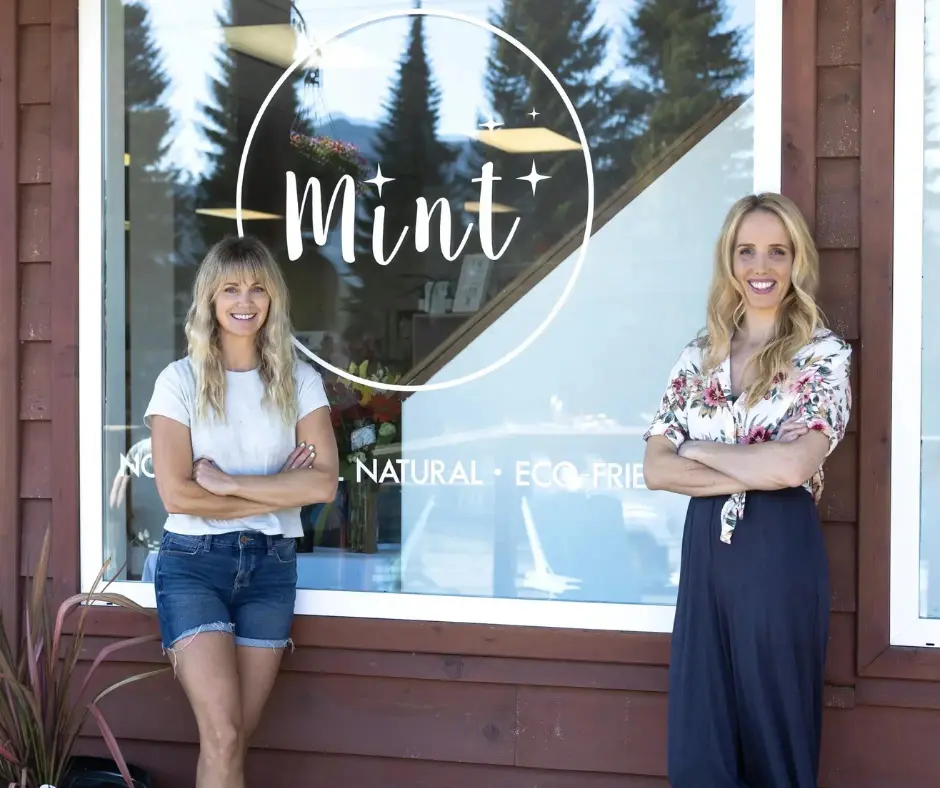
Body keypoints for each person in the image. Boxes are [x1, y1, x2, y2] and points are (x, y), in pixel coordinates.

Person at [642, 193, 851, 788]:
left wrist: (699, 448)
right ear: (729, 261)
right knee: (700, 734)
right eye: (748, 251)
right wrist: (751, 463)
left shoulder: (823, 356)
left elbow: (793, 467)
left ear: (796, 261)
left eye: (777, 252)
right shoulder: (697, 357)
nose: (762, 266)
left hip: (778, 551)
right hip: (705, 553)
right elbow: (656, 469)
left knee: (773, 734)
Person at [145, 236, 339, 788]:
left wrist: (228, 484)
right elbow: (177, 496)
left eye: (257, 288)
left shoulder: (299, 380)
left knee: (232, 739)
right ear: (210, 298)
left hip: (271, 570)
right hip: (192, 566)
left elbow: (323, 483)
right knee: (226, 735)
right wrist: (281, 487)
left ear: (272, 298)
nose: (244, 300)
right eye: (230, 288)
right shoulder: (178, 381)